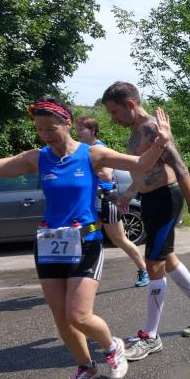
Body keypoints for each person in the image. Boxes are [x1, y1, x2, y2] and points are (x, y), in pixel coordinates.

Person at [0, 97, 172, 379]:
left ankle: (112, 347)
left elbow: (142, 164)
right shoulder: (37, 157)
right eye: (40, 130)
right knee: (61, 317)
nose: (45, 135)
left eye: (50, 128)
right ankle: (86, 367)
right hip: (49, 244)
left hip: (86, 243)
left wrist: (160, 142)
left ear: (67, 123)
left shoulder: (92, 154)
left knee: (78, 314)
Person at [101, 82, 190, 362]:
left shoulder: (153, 128)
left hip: (166, 199)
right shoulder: (136, 131)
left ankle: (150, 337)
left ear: (131, 105)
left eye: (115, 112)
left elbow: (180, 167)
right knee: (167, 260)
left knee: (153, 264)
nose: (113, 118)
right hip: (150, 199)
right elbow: (144, 169)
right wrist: (130, 192)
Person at [75, 116, 150, 287]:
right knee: (88, 236)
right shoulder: (85, 149)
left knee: (119, 239)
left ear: (92, 130)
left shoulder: (100, 149)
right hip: (92, 202)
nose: (77, 132)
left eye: (81, 129)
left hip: (106, 200)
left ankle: (143, 270)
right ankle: (83, 275)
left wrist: (86, 169)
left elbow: (107, 175)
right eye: (77, 129)